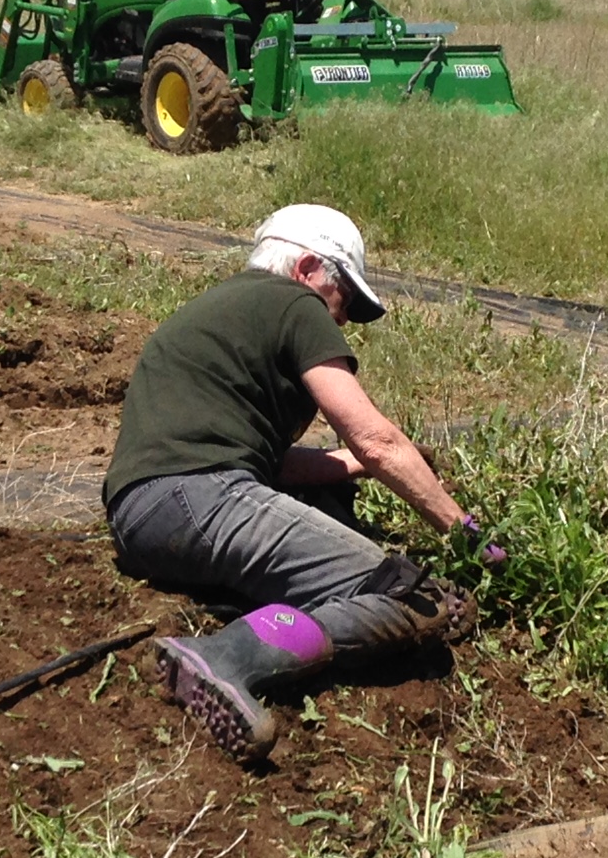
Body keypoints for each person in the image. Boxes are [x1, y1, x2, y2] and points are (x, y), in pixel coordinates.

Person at [104, 203, 503, 762]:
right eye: (343, 302)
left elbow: (277, 464)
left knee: (329, 491)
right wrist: (472, 538)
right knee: (407, 595)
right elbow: (377, 441)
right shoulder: (294, 303)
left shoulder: (220, 310)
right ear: (308, 269)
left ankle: (262, 617)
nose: (338, 322)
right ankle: (226, 657)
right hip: (204, 494)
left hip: (140, 516)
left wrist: (354, 465)